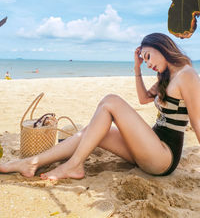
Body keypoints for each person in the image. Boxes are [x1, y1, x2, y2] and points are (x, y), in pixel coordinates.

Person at [1, 33, 200, 180]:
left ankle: (73, 165)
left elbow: (197, 121)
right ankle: (32, 162)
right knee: (92, 131)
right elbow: (143, 99)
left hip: (164, 156)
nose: (148, 63)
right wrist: (137, 67)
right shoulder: (167, 77)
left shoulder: (186, 74)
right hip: (150, 146)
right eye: (144, 59)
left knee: (111, 101)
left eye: (148, 57)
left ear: (162, 46)